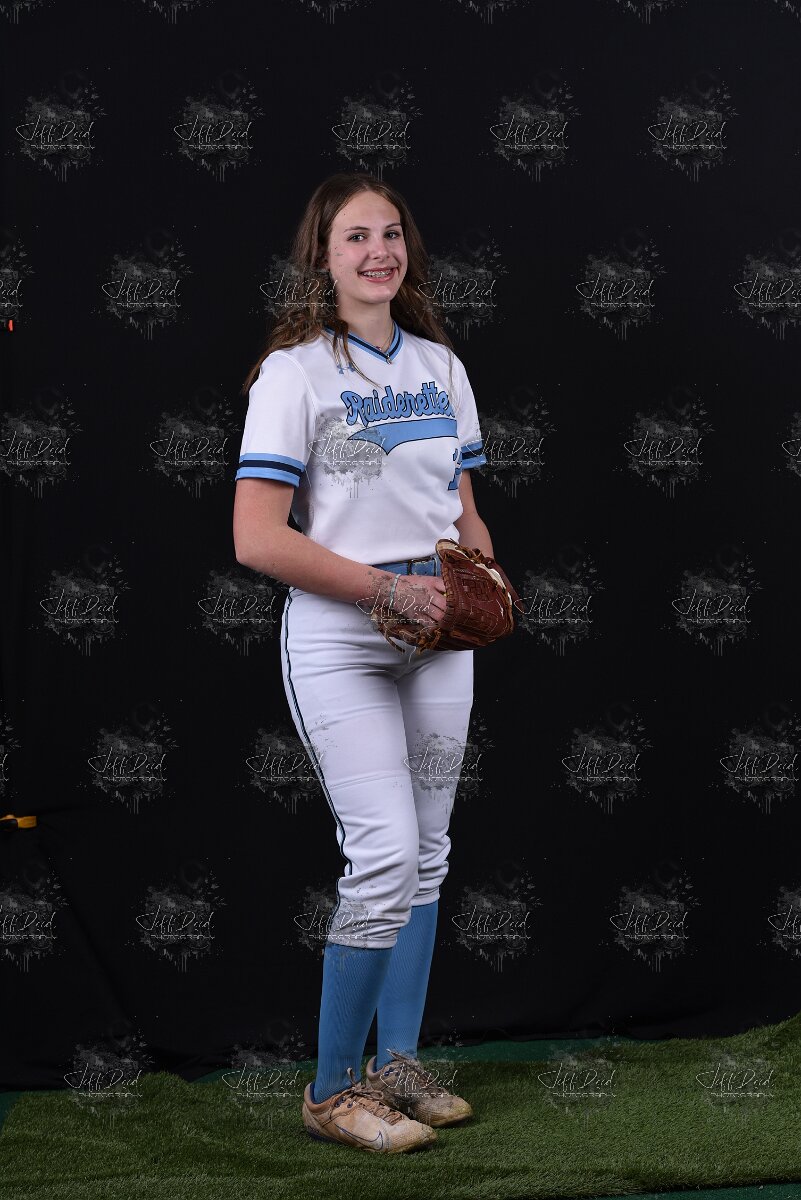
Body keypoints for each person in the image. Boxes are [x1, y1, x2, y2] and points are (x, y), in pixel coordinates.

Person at [232, 171, 493, 1154]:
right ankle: (332, 1091)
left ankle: (397, 1066)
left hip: (438, 637)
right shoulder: (293, 374)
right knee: (382, 852)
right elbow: (257, 539)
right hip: (342, 638)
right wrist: (386, 592)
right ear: (323, 257)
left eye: (391, 234)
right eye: (355, 237)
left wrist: (480, 572)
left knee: (427, 853)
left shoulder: (440, 366)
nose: (379, 251)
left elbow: (462, 509)